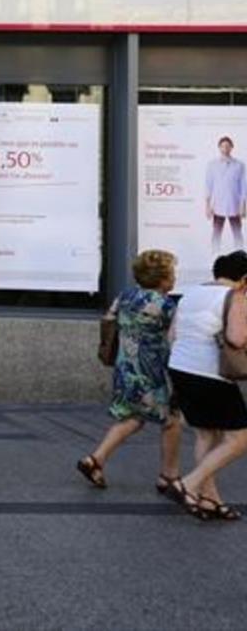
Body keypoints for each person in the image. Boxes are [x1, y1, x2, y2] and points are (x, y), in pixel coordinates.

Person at [76, 250, 181, 492]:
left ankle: (95, 460)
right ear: (161, 279)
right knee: (171, 420)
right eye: (172, 274)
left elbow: (109, 319)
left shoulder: (125, 296)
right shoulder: (165, 305)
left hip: (125, 368)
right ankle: (169, 476)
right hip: (151, 373)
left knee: (132, 417)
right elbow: (175, 338)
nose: (174, 278)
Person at [164, 250, 247, 521]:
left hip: (181, 368)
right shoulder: (234, 297)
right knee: (239, 439)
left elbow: (173, 334)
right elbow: (236, 338)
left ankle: (211, 500)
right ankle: (188, 484)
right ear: (244, 279)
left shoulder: (191, 293)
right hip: (210, 374)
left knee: (206, 436)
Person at [205, 136, 246, 252]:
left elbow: (243, 187)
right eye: (223, 146)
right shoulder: (212, 165)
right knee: (216, 233)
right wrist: (207, 207)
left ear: (232, 147)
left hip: (234, 204)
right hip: (218, 205)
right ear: (219, 147)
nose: (225, 148)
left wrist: (243, 206)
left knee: (237, 233)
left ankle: (241, 257)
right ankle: (214, 255)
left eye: (228, 146)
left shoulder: (239, 165)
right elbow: (208, 186)